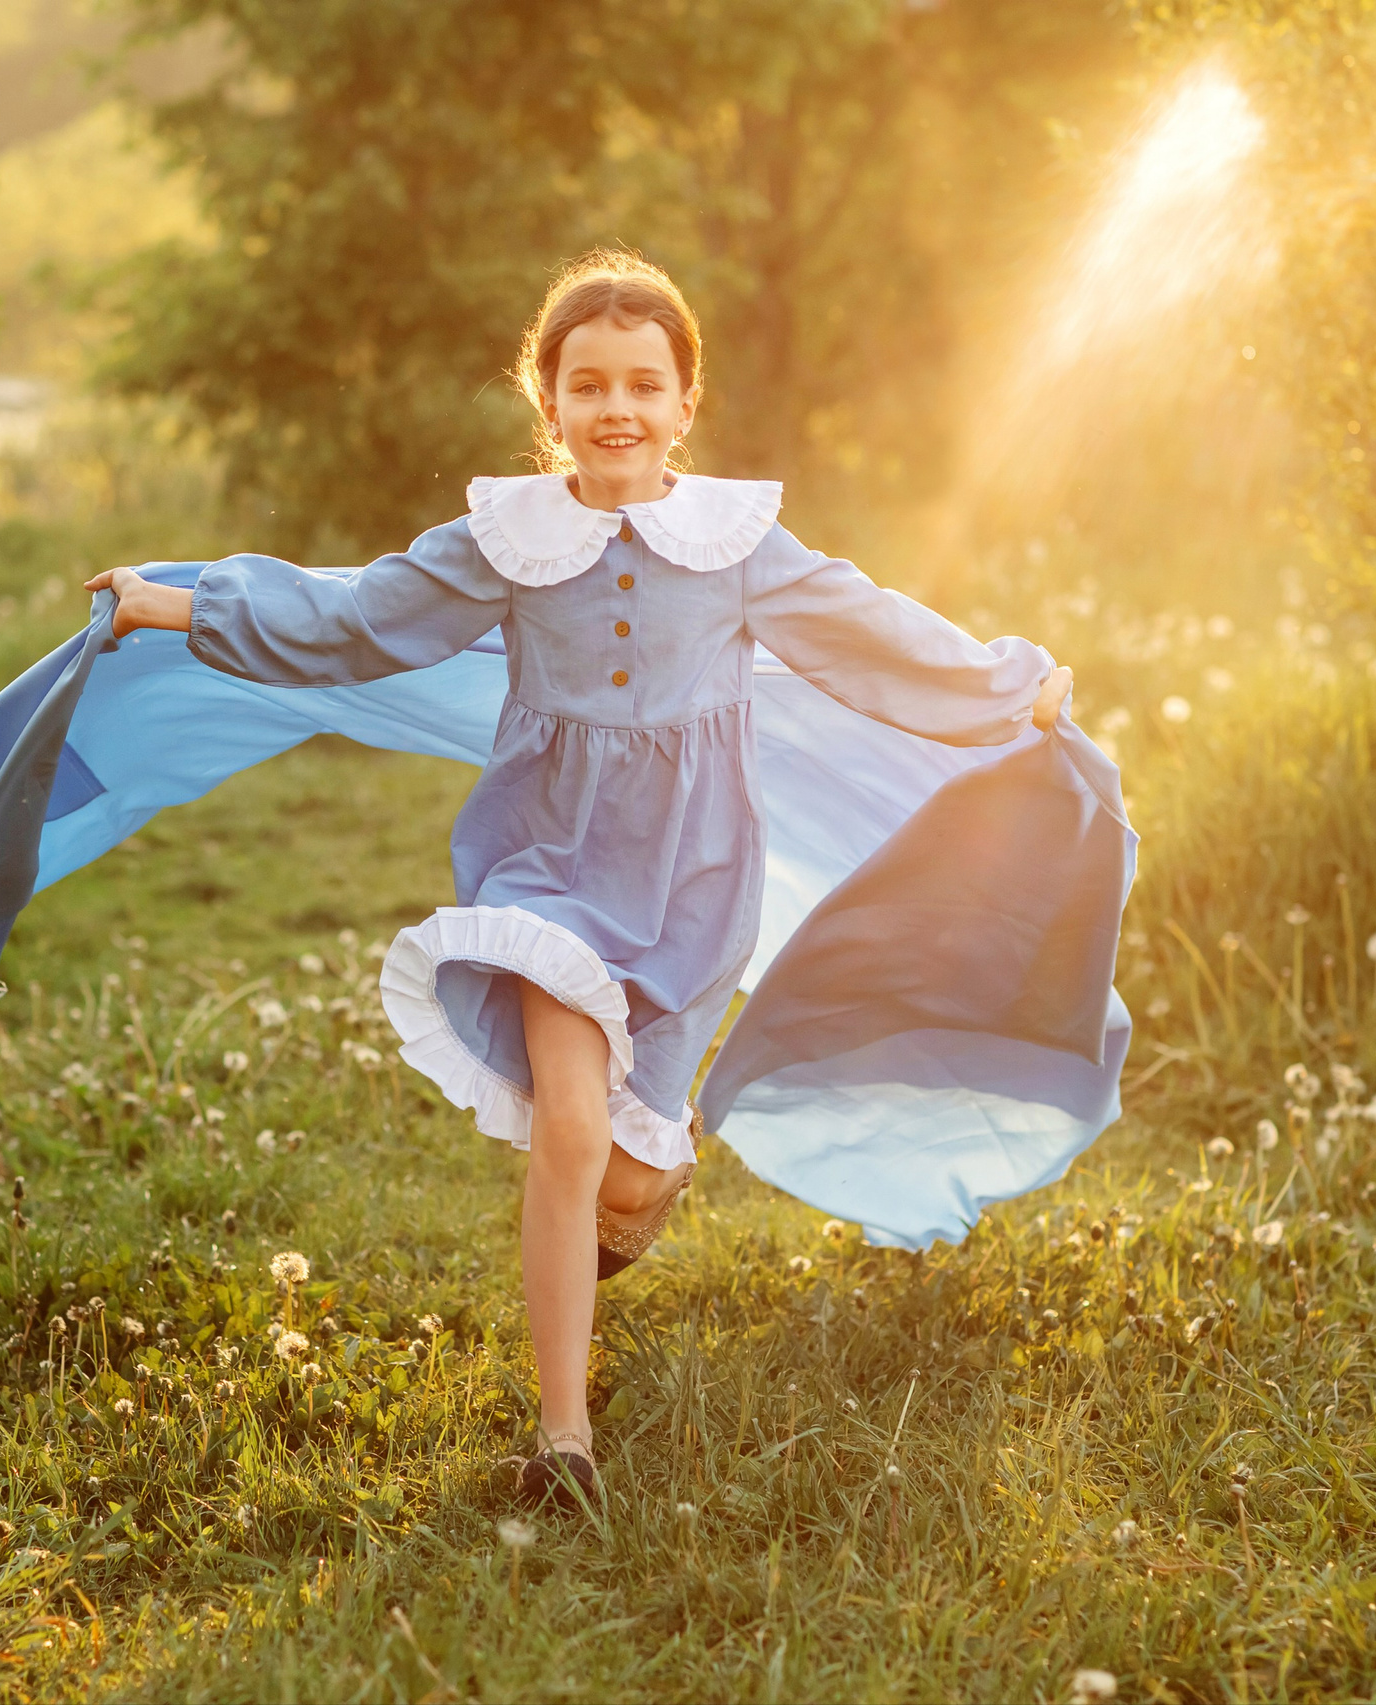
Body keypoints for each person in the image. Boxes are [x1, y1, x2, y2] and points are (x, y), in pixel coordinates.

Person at [80, 250, 1076, 1509]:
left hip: (695, 885)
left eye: (644, 385)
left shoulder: (738, 543)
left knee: (630, 1167)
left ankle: (650, 1179)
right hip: (545, 860)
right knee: (568, 1122)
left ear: (684, 403)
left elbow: (867, 627)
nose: (617, 409)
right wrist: (171, 606)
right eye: (589, 384)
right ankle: (564, 1442)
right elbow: (355, 618)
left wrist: (1009, 689)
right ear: (546, 400)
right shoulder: (507, 541)